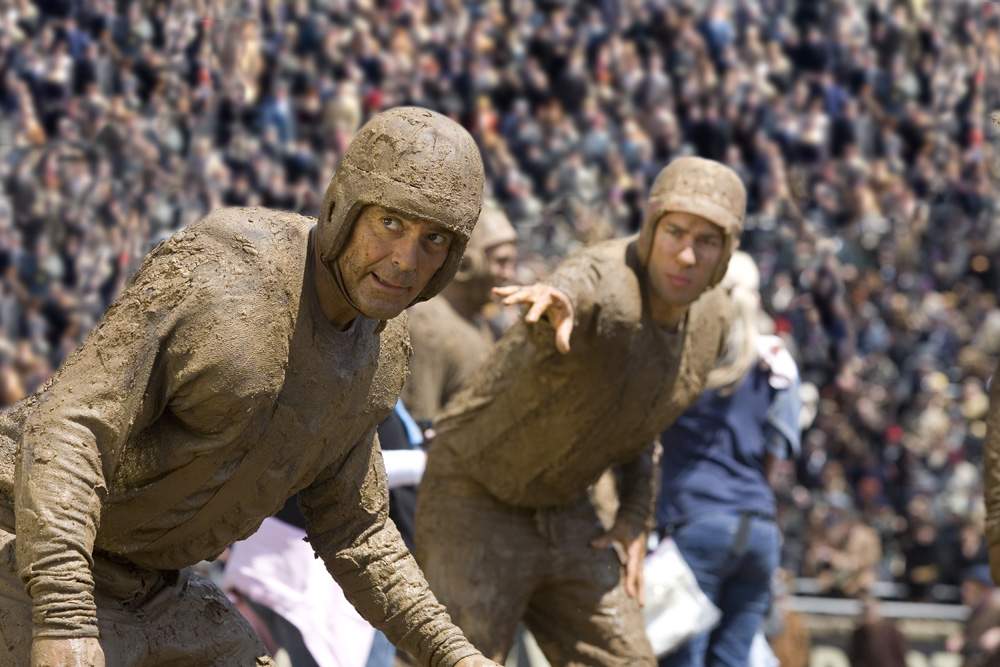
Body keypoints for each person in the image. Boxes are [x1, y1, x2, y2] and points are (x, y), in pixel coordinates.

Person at [0, 107, 500, 667]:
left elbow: (358, 533)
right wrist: (63, 614)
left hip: (156, 587)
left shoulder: (380, 351)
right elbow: (71, 431)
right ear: (341, 209)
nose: (406, 260)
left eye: (434, 239)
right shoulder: (225, 270)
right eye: (390, 224)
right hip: (25, 544)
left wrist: (454, 655)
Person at [414, 156, 746, 665]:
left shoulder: (712, 321)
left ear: (727, 252)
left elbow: (641, 425)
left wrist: (635, 516)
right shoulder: (611, 281)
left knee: (628, 660)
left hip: (569, 507)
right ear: (651, 228)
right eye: (675, 232)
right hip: (477, 493)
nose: (685, 255)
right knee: (461, 660)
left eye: (707, 241)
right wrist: (558, 300)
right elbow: (583, 280)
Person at [655, 251, 801, 667]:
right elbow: (777, 458)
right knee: (734, 658)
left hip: (697, 523)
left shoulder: (688, 355)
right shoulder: (777, 361)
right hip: (758, 531)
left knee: (681, 655)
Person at [403, 203, 518, 425]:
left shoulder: (480, 323)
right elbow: (421, 421)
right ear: (467, 263)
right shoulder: (428, 324)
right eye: (502, 262)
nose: (509, 274)